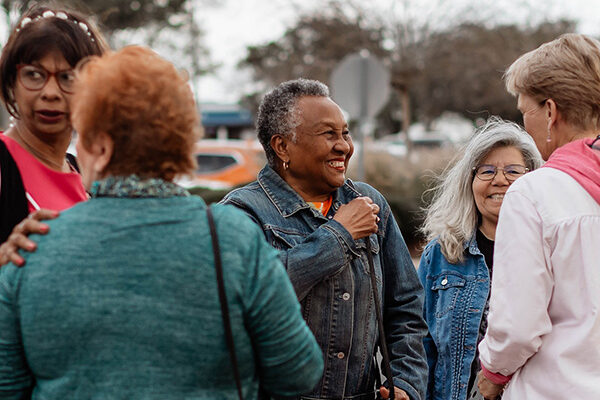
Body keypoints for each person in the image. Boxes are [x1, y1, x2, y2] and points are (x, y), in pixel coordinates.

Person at [0, 46, 323, 399]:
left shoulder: (32, 247)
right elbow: (299, 371)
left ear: (103, 148)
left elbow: (8, 386)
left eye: (83, 138)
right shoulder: (234, 241)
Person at [221, 78, 428, 400]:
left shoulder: (369, 203)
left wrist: (405, 382)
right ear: (282, 146)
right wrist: (339, 236)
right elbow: (253, 296)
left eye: (345, 133)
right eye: (328, 134)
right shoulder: (242, 213)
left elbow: (405, 309)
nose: (344, 146)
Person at [477, 33, 600, 399]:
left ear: (550, 112)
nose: (524, 123)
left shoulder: (535, 194)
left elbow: (517, 326)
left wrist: (491, 374)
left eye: (524, 110)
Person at [417, 118, 542, 400]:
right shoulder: (441, 255)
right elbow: (420, 348)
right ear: (470, 181)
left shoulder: (550, 251)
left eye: (513, 171)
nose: (499, 180)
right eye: (486, 171)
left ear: (534, 179)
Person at [0, 5, 107, 246]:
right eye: (34, 75)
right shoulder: (3, 165)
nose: (50, 93)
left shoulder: (84, 173)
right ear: (11, 83)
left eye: (67, 78)